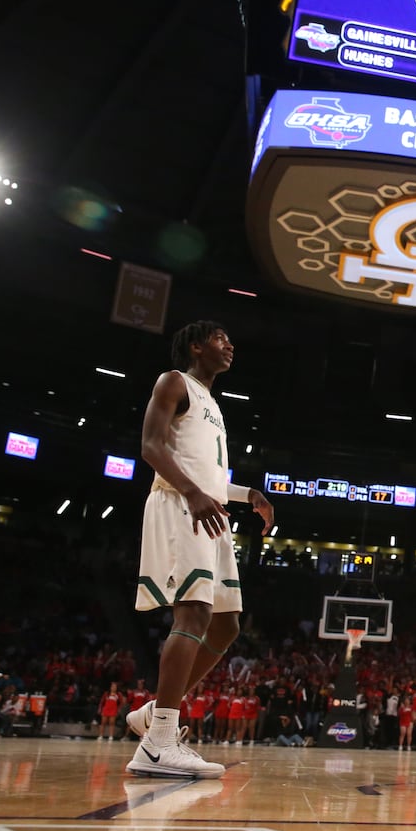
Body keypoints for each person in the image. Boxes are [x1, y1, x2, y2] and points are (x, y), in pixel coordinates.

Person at [124, 321, 275, 779]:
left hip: (208, 508)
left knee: (226, 625)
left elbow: (205, 472)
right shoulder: (174, 381)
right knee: (192, 615)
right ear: (195, 346)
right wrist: (191, 493)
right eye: (219, 339)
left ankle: (156, 710)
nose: (230, 345)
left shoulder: (212, 403)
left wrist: (249, 493)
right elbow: (151, 446)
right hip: (180, 504)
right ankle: (158, 742)